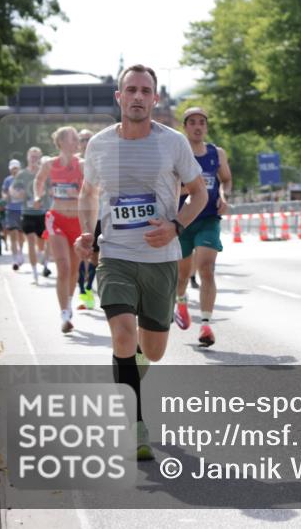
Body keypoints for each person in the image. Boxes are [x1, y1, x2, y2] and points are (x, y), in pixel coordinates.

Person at [76, 64, 206, 461]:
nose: (137, 96)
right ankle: (134, 425)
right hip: (115, 254)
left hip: (161, 259)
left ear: (155, 99)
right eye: (129, 89)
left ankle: (131, 367)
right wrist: (87, 232)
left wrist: (175, 226)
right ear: (118, 97)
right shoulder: (98, 144)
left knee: (153, 348)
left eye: (144, 90)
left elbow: (198, 195)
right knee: (121, 335)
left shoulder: (173, 143)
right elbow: (88, 192)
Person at [173, 106, 232, 348]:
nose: (198, 126)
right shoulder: (177, 154)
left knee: (206, 268)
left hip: (209, 218)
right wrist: (192, 189)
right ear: (185, 127)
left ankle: (206, 324)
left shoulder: (216, 153)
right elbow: (168, 186)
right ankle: (181, 301)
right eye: (192, 122)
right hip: (183, 219)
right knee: (182, 274)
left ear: (206, 127)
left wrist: (223, 195)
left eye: (202, 122)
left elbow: (226, 180)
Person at [35, 126, 85, 333]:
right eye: (73, 139)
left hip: (79, 223)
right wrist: (37, 196)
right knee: (63, 267)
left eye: (77, 139)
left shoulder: (82, 165)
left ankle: (69, 302)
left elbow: (95, 186)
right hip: (56, 220)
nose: (77, 142)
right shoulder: (49, 164)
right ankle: (64, 313)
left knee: (74, 269)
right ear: (62, 142)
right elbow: (38, 181)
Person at [14, 146, 52, 283]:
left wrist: (46, 193)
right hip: (27, 212)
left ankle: (41, 256)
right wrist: (19, 194)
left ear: (40, 158)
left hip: (42, 212)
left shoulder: (45, 173)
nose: (34, 159)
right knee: (30, 240)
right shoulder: (22, 174)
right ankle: (35, 272)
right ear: (28, 158)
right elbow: (15, 191)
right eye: (32, 156)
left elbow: (52, 189)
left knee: (41, 244)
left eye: (37, 157)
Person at [75, 129, 96, 310]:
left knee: (95, 257)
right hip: (76, 214)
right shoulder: (73, 162)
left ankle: (89, 289)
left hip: (96, 214)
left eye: (89, 139)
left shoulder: (100, 161)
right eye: (82, 139)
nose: (86, 142)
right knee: (82, 257)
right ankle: (83, 293)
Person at [2, 159, 25, 268]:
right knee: (13, 234)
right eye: (12, 169)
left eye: (16, 168)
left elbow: (26, 193)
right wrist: (6, 196)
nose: (14, 170)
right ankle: (15, 259)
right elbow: (4, 193)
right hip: (11, 210)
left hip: (22, 210)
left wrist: (20, 194)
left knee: (21, 235)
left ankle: (20, 252)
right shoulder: (7, 180)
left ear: (19, 168)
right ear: (10, 170)